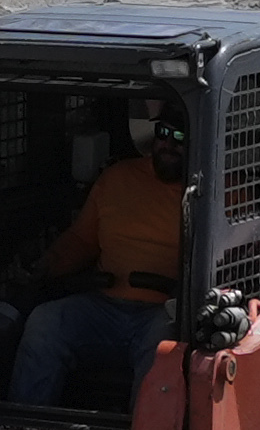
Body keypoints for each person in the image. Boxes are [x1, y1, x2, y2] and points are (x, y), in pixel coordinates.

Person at [16, 106, 192, 413]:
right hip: (105, 305)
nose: (168, 145)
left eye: (179, 137)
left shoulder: (216, 192)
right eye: (163, 134)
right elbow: (83, 239)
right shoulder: (118, 178)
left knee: (162, 348)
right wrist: (48, 264)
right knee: (46, 322)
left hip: (165, 312)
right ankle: (21, 428)